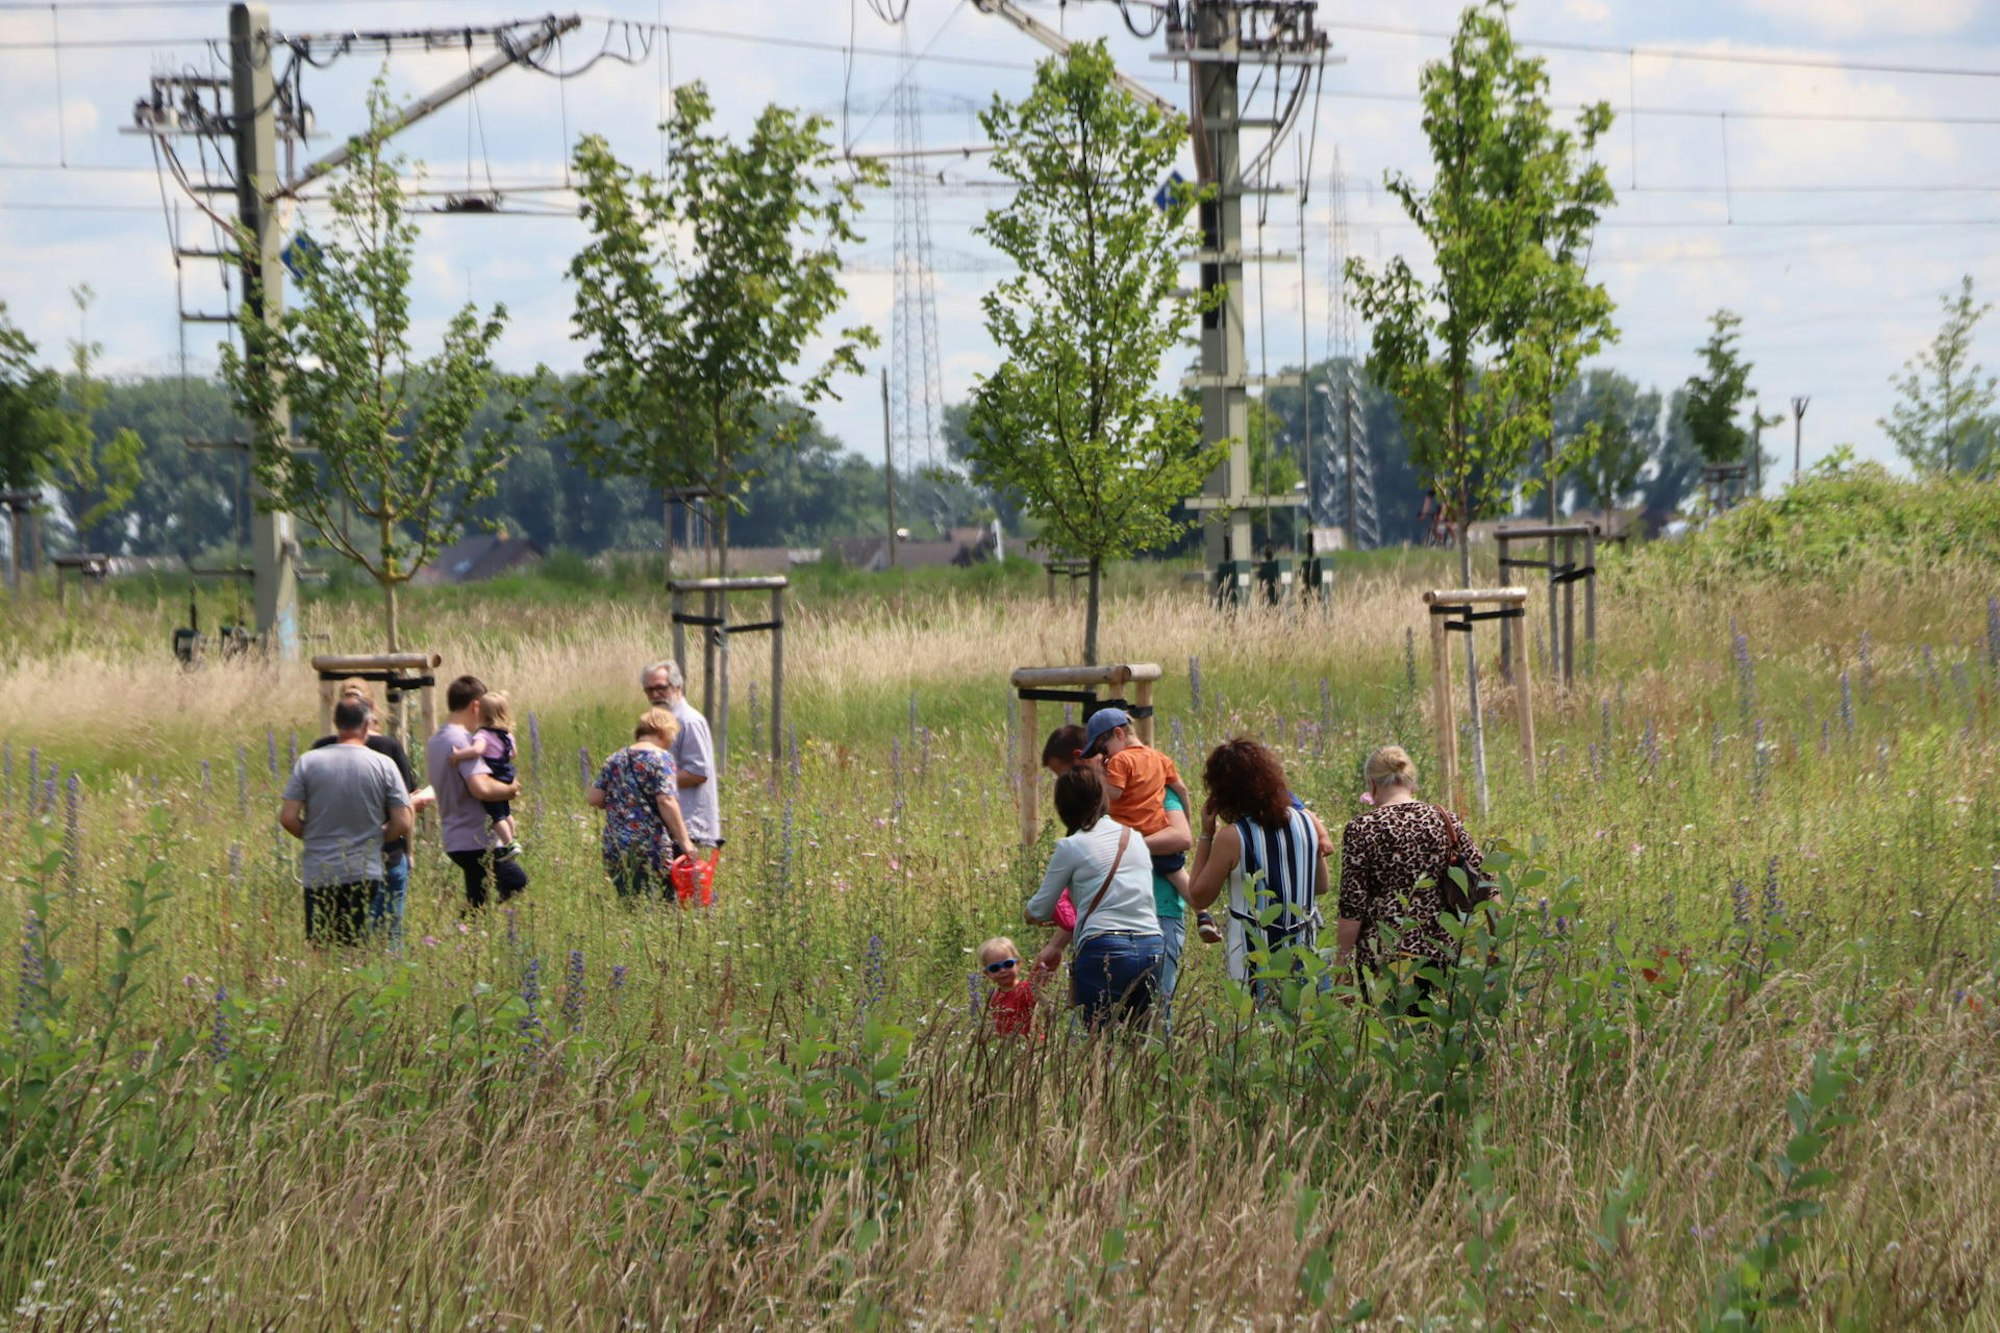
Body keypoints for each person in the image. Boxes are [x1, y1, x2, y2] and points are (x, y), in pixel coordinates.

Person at [1038, 723, 1193, 1005]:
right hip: (1104, 930)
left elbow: (1182, 836)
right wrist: (1056, 944)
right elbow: (1090, 893)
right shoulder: (1087, 810)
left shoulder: (1148, 782)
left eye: (1061, 775)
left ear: (1082, 757)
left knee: (1157, 1019)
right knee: (1098, 1027)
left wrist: (1120, 847)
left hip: (1159, 915)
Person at [1336, 746, 1486, 996]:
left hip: (1382, 959)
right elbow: (1486, 882)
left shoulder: (1361, 829)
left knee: (1390, 1030)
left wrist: (1341, 965)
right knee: (1434, 1031)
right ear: (1412, 783)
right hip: (1439, 953)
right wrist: (1495, 948)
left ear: (1371, 785)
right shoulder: (1444, 820)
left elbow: (1352, 906)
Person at [1185, 737, 1328, 996]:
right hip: (1304, 951)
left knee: (1258, 1031)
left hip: (1254, 959)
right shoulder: (1307, 822)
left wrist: (1206, 834)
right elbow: (1321, 885)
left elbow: (1198, 895)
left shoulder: (1233, 837)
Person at [1025, 765, 1163, 1027]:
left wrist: (1030, 915)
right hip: (1151, 945)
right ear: (1102, 797)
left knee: (1098, 1044)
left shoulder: (1071, 846)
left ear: (1063, 807)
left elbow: (1040, 909)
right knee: (1139, 1043)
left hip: (1104, 949)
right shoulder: (1133, 838)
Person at [1080, 707, 1221, 948]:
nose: (1103, 756)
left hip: (1130, 835)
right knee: (1177, 873)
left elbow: (1115, 792)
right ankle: (1203, 914)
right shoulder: (1160, 758)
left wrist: (1097, 781)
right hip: (1158, 834)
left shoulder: (1120, 760)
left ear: (1118, 734)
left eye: (1103, 748)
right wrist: (1186, 820)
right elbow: (1182, 790)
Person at [279, 695, 412, 946]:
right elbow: (403, 821)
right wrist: (376, 836)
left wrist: (315, 835)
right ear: (366, 725)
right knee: (359, 947)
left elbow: (288, 818)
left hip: (320, 871)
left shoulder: (309, 761)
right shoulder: (383, 764)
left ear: (336, 723)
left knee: (321, 947)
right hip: (364, 870)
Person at [308, 679, 432, 943]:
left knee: (343, 938)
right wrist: (409, 852)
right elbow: (405, 809)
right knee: (390, 935)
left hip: (334, 856)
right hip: (388, 852)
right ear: (372, 708)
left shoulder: (320, 749)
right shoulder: (389, 749)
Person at [426, 674, 527, 910]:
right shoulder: (463, 740)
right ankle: (495, 930)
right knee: (515, 881)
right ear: (475, 706)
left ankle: (471, 938)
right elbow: (481, 788)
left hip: (455, 837)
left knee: (477, 901)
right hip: (477, 839)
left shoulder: (435, 740)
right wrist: (510, 790)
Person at [587, 707, 694, 900]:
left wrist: (622, 798)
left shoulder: (615, 758)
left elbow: (594, 798)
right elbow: (666, 800)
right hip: (650, 848)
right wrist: (686, 843)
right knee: (659, 905)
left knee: (630, 905)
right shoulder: (662, 759)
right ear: (664, 732)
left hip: (616, 848)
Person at [641, 662, 719, 849]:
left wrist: (651, 784)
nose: (654, 695)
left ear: (677, 687)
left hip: (691, 828)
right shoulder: (661, 722)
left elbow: (697, 773)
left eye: (660, 688)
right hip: (670, 827)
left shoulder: (689, 721)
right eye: (649, 690)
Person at [450, 691, 520, 859]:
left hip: (494, 776)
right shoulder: (508, 735)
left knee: (497, 816)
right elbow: (513, 754)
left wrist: (458, 755)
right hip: (507, 773)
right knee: (506, 812)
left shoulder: (483, 734)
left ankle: (509, 844)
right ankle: (514, 838)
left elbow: (477, 750)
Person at [976, 936, 1038, 1037]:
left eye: (1008, 964)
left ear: (1017, 964)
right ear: (987, 973)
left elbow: (1041, 1014)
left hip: (1031, 1045)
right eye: (995, 968)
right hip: (1007, 1048)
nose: (1002, 970)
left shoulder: (1027, 989)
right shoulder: (995, 997)